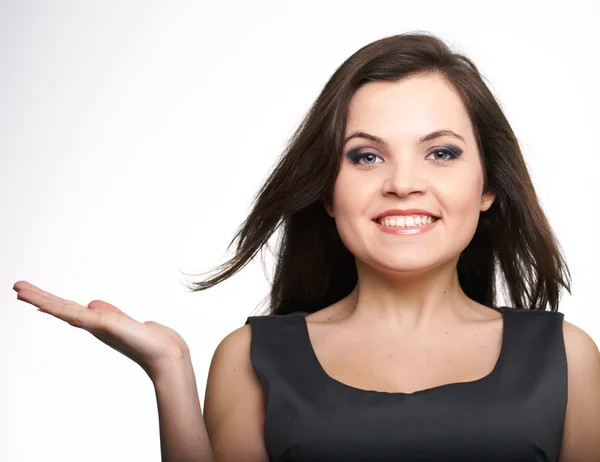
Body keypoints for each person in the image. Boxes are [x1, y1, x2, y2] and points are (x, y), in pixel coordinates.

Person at [13, 32, 600, 462]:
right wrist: (170, 371)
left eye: (441, 153)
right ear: (326, 190)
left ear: (489, 186)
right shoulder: (250, 360)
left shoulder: (567, 359)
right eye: (366, 156)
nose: (402, 183)